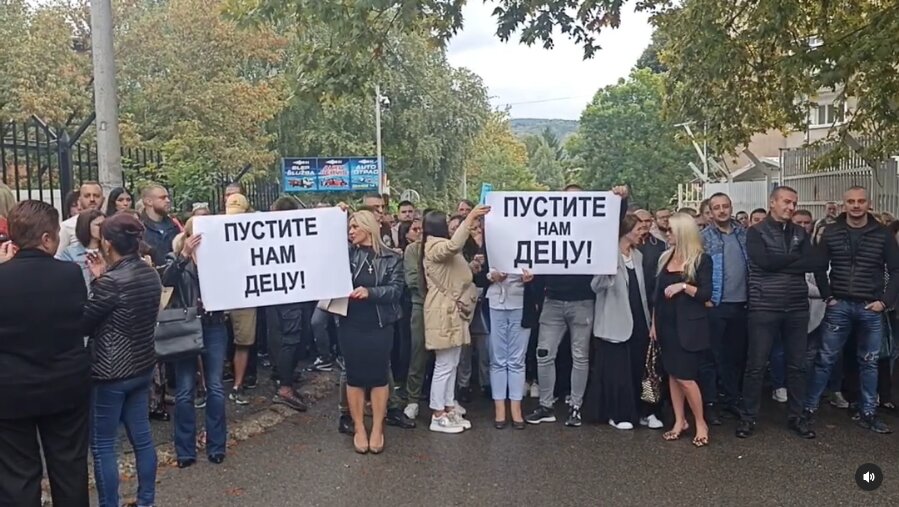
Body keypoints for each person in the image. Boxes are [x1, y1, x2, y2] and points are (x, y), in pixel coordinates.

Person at [0, 200, 91, 507]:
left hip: (11, 390)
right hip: (65, 385)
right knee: (69, 468)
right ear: (47, 238)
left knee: (17, 475)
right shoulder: (69, 275)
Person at [526, 185, 629, 428]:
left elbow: (613, 220)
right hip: (552, 300)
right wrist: (532, 280)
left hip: (582, 301)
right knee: (544, 354)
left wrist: (622, 200)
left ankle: (576, 406)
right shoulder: (550, 227)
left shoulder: (593, 227)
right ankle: (546, 404)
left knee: (580, 357)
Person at [82, 213, 162, 507]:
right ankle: (146, 501)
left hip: (110, 372)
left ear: (108, 242)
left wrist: (98, 281)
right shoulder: (150, 274)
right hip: (142, 366)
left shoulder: (110, 282)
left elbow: (85, 323)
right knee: (142, 439)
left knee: (104, 445)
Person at [806, 186, 899, 435]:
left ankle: (868, 412)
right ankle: (808, 409)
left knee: (869, 362)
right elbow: (818, 266)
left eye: (860, 201)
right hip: (840, 304)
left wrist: (884, 301)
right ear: (844, 204)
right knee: (825, 359)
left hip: (871, 306)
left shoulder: (883, 235)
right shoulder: (831, 232)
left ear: (869, 204)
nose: (856, 205)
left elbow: (896, 269)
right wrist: (828, 295)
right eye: (851, 201)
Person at [737, 186, 817, 439]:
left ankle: (797, 416)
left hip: (796, 306)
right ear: (772, 202)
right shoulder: (755, 232)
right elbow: (764, 262)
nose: (791, 207)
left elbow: (812, 262)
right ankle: (748, 418)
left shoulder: (799, 232)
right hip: (764, 305)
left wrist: (783, 261)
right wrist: (792, 260)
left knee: (797, 365)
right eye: (786, 202)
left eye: (794, 203)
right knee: (756, 365)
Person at [162, 217, 230, 468]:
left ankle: (216, 445)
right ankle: (185, 450)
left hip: (214, 325)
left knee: (215, 386)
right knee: (185, 390)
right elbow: (166, 281)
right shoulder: (175, 256)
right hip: (187, 325)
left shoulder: (219, 257)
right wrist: (184, 255)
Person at [586, 214, 658, 430]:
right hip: (614, 321)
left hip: (639, 318)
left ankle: (645, 411)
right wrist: (605, 274)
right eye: (638, 228)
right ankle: (617, 414)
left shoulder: (638, 255)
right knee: (617, 372)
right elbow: (595, 286)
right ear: (626, 230)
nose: (642, 232)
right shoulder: (607, 255)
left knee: (640, 368)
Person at [342, 210, 404, 453]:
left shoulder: (391, 257)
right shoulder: (345, 255)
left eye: (355, 226)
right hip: (350, 323)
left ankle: (377, 426)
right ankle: (359, 427)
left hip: (379, 324)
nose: (351, 231)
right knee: (354, 376)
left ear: (368, 228)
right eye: (349, 227)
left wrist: (371, 293)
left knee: (379, 376)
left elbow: (396, 290)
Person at [423, 206, 489, 433]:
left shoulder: (437, 246)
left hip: (451, 310)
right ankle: (437, 413)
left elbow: (451, 272)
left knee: (452, 363)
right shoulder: (434, 245)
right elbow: (452, 246)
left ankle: (448, 407)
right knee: (444, 364)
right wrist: (470, 218)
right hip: (443, 310)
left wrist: (470, 267)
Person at [651, 213, 713, 447]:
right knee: (673, 376)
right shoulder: (665, 258)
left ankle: (700, 422)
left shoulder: (701, 260)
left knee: (686, 378)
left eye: (671, 230)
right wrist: (653, 325)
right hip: (666, 326)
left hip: (688, 327)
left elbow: (706, 294)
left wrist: (684, 286)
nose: (667, 234)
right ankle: (679, 421)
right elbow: (656, 296)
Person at [699, 193, 749, 423]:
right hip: (716, 304)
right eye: (716, 207)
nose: (722, 211)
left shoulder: (744, 235)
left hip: (742, 304)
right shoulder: (703, 237)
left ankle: (732, 400)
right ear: (710, 211)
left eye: (725, 206)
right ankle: (710, 403)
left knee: (735, 357)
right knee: (712, 357)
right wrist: (706, 297)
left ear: (731, 208)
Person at [264, 197, 309, 412]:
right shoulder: (293, 233)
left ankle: (283, 375)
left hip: (275, 292)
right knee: (290, 339)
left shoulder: (266, 232)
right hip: (289, 293)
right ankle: (285, 387)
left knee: (279, 337)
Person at [486, 259, 534, 429]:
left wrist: (531, 278)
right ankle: (499, 408)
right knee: (498, 358)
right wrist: (492, 276)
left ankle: (516, 408)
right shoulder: (492, 238)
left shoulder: (529, 240)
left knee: (517, 359)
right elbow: (481, 271)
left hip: (521, 302)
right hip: (495, 301)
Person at [223, 194, 258, 405]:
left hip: (245, 293)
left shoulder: (256, 231)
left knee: (243, 340)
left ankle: (238, 384)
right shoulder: (215, 230)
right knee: (217, 340)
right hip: (223, 292)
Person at [403, 215, 428, 421]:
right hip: (420, 305)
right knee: (418, 351)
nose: (419, 233)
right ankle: (413, 398)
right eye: (415, 229)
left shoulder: (441, 247)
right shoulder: (412, 251)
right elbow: (412, 279)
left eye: (422, 229)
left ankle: (448, 399)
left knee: (447, 356)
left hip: (442, 307)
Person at [58, 209, 105, 288]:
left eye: (105, 224)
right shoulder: (69, 253)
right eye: (99, 225)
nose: (103, 228)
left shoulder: (110, 251)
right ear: (85, 226)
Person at [57, 181, 104, 255]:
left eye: (96, 196)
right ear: (79, 200)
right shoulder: (66, 226)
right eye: (87, 196)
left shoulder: (111, 223)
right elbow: (59, 256)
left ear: (103, 199)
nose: (92, 199)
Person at [139, 184, 180, 266]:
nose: (168, 200)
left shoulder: (173, 226)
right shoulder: (139, 228)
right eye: (162, 198)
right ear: (149, 201)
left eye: (168, 197)